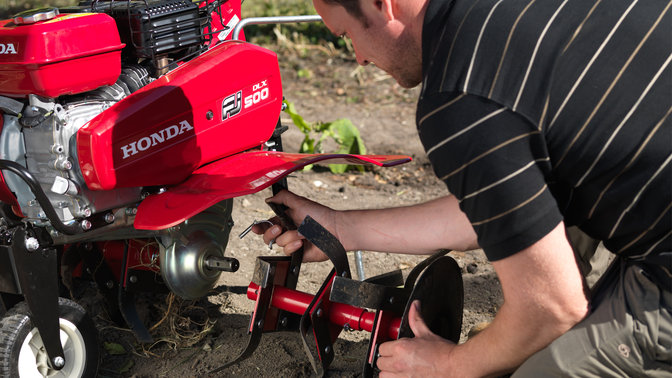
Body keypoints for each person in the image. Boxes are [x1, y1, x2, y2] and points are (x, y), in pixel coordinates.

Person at [254, 0, 672, 375]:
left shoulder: (462, 95)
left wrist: (450, 366)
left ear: (384, 5)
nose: (359, 59)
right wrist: (341, 228)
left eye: (347, 35)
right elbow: (501, 207)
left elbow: (553, 304)